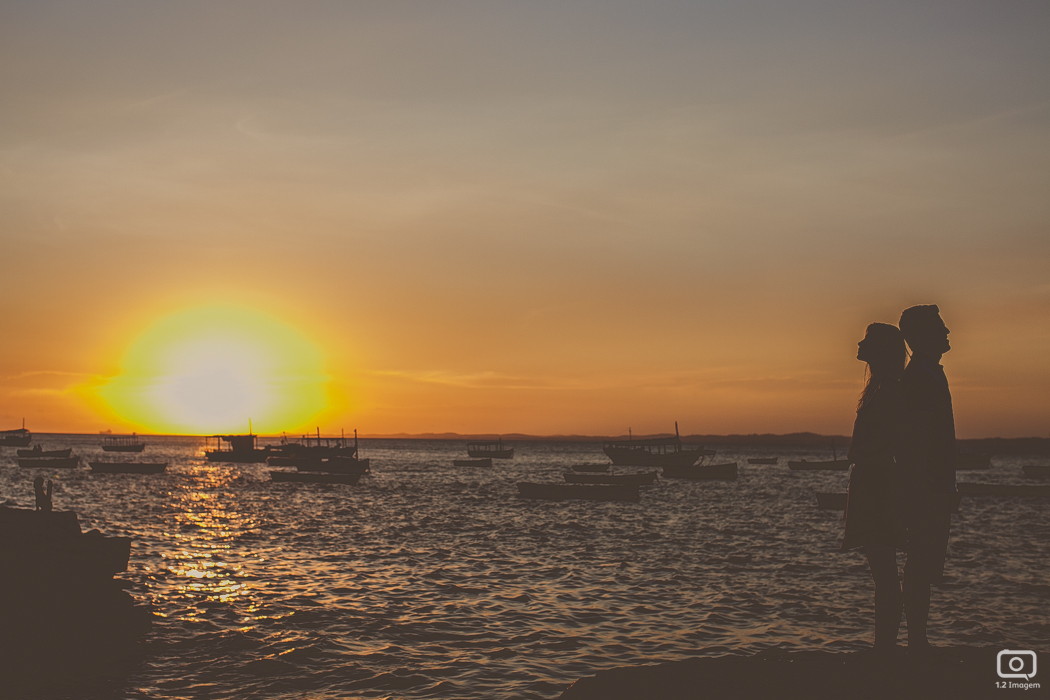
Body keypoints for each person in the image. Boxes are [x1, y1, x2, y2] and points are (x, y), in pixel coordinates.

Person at [841, 322, 908, 655]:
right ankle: (884, 645)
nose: (859, 343)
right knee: (882, 570)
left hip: (878, 483)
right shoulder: (880, 388)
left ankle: (885, 648)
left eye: (866, 340)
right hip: (872, 481)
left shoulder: (890, 390)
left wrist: (867, 458)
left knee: (884, 571)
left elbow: (892, 440)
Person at [896, 304, 956, 658]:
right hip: (926, 485)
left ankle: (919, 638)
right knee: (921, 561)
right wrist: (924, 486)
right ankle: (917, 640)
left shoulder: (929, 373)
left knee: (925, 561)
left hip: (934, 482)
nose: (948, 331)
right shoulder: (920, 375)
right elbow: (916, 438)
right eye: (940, 326)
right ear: (921, 335)